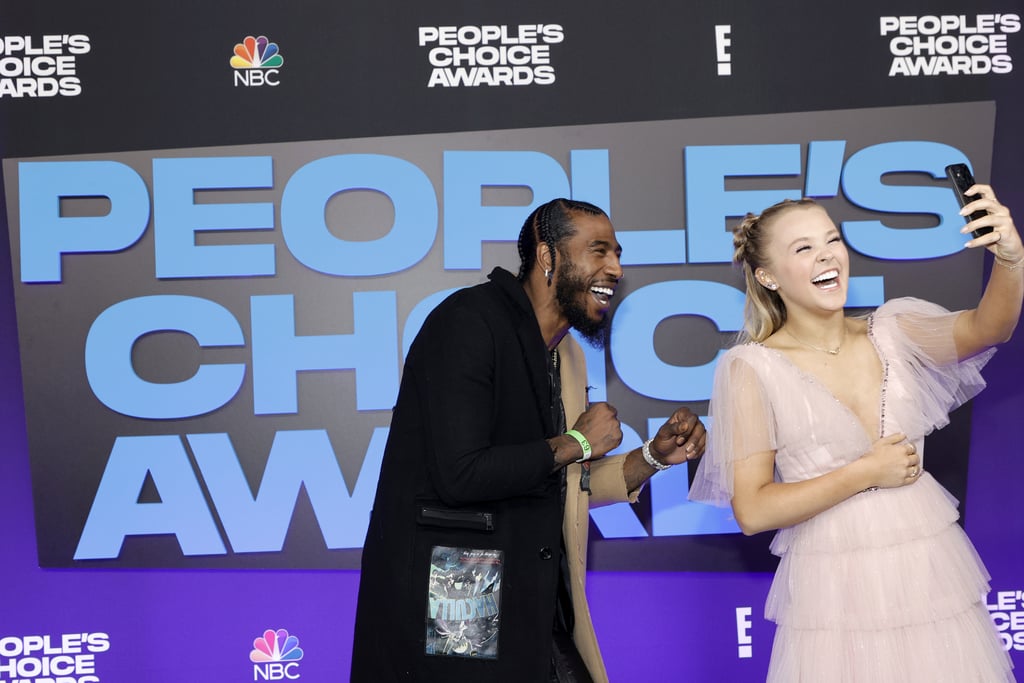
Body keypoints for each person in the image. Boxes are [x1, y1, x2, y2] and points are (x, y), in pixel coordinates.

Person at [351, 198, 707, 682]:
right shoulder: (467, 322)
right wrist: (577, 442)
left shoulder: (569, 355)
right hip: (456, 614)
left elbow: (559, 480)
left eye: (618, 253)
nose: (616, 268)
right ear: (547, 258)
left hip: (537, 605)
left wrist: (651, 458)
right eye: (598, 251)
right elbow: (462, 473)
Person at [689, 186, 1022, 681]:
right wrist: (866, 472)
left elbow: (988, 328)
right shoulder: (752, 368)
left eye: (832, 240)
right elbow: (753, 510)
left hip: (928, 577)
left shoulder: (894, 330)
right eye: (803, 248)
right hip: (834, 597)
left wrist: (1011, 258)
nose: (827, 255)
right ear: (766, 276)